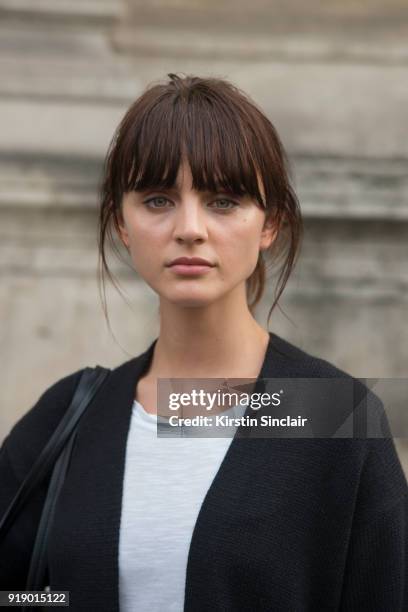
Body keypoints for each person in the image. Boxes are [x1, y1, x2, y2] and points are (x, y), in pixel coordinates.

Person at [0, 73, 407, 611]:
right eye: (158, 199)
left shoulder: (335, 414)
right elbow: (16, 597)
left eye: (223, 201)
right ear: (122, 221)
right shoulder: (72, 416)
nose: (190, 228)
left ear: (270, 224)